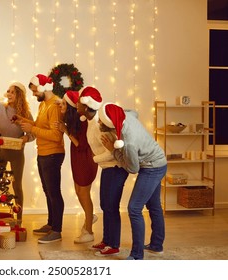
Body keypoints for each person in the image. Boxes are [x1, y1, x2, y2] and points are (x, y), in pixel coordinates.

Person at [98, 102, 167, 260]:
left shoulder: (128, 143)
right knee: (154, 205)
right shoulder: (126, 116)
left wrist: (114, 150)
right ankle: (157, 246)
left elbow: (133, 168)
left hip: (152, 167)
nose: (98, 122)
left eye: (101, 120)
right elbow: (134, 112)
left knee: (134, 208)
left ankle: (136, 255)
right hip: (160, 161)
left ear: (109, 123)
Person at [76, 87, 129, 256]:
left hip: (115, 167)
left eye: (79, 101)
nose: (76, 104)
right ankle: (107, 240)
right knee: (105, 205)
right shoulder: (90, 122)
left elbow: (113, 150)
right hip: (107, 168)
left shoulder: (101, 124)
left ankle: (113, 244)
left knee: (111, 206)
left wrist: (95, 158)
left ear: (86, 105)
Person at [15, 74, 65, 244]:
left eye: (35, 91)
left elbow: (56, 136)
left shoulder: (55, 106)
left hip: (52, 154)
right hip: (43, 153)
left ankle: (57, 230)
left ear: (44, 88)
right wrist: (22, 121)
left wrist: (32, 129)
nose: (34, 94)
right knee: (47, 191)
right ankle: (51, 224)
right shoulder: (44, 104)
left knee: (54, 193)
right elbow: (37, 126)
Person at [0, 80, 35, 222]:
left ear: (19, 96)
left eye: (12, 92)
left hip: (17, 153)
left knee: (17, 185)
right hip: (0, 151)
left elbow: (33, 133)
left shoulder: (26, 114)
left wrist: (25, 138)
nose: (9, 94)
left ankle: (19, 218)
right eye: (8, 91)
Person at [54, 90, 98, 243]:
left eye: (64, 104)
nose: (61, 106)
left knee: (84, 193)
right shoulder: (73, 119)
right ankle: (89, 215)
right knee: (79, 192)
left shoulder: (83, 122)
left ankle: (89, 231)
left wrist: (66, 131)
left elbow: (81, 145)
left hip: (86, 159)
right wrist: (59, 102)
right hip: (77, 158)